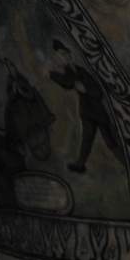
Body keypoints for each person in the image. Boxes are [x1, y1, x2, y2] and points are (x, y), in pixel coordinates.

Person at [48, 40, 124, 173]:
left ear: (69, 55)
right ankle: (80, 164)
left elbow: (97, 91)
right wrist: (52, 74)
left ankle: (125, 160)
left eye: (64, 54)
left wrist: (86, 89)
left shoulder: (80, 70)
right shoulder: (69, 72)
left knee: (110, 139)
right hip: (87, 110)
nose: (62, 58)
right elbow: (67, 82)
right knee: (87, 138)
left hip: (97, 109)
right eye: (59, 56)